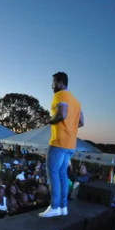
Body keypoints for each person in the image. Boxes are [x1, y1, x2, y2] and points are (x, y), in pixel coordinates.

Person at [40, 72, 84, 218]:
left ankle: (54, 206)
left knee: (52, 172)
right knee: (62, 174)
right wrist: (70, 127)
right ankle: (63, 207)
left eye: (53, 82)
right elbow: (81, 122)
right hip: (71, 144)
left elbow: (62, 114)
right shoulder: (76, 102)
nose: (52, 85)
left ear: (60, 82)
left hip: (59, 142)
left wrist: (49, 120)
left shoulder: (60, 95)